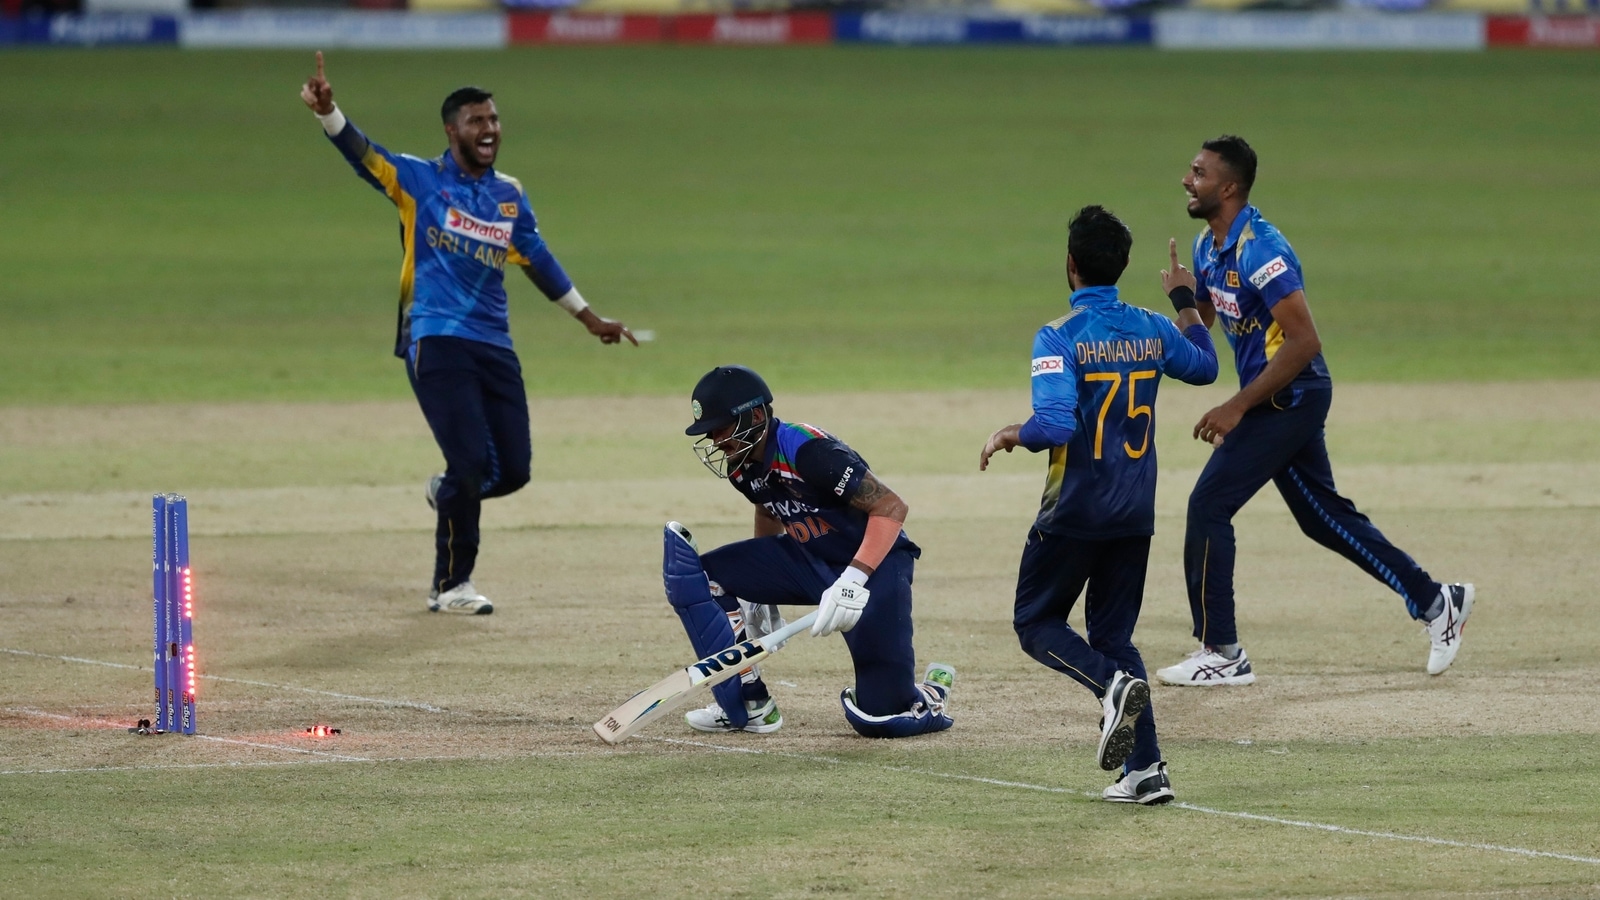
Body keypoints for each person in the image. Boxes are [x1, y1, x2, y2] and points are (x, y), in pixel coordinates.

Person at [299, 53, 635, 615]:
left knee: (514, 470)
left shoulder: (509, 194)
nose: (490, 129)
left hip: (494, 342)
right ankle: (451, 585)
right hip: (435, 336)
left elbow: (537, 259)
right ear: (452, 131)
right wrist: (328, 113)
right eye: (477, 121)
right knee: (471, 463)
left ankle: (448, 490)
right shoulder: (420, 181)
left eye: (494, 119)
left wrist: (589, 317)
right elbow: (365, 156)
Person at [1156, 135, 1474, 686]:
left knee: (1209, 505)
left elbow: (1305, 342)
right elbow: (1201, 332)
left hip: (1292, 395)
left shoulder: (1262, 249)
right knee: (1322, 517)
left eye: (1199, 173)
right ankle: (1435, 601)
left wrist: (1236, 406)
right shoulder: (1208, 248)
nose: (1187, 179)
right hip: (1274, 397)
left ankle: (1223, 652)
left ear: (1229, 188)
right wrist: (1183, 301)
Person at [981, 206, 1218, 805]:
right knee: (1114, 635)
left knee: (1036, 624)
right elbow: (1206, 367)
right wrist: (1185, 300)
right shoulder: (1153, 327)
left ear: (1070, 264)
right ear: (1124, 264)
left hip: (1074, 512)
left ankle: (1110, 686)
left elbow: (1056, 424)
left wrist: (1012, 433)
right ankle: (1147, 772)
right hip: (1134, 513)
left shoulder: (1059, 335)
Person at [661, 365, 954, 738]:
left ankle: (930, 693)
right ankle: (749, 702)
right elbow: (769, 508)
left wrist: (853, 579)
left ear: (755, 416)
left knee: (882, 717)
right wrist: (758, 595)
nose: (716, 440)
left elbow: (891, 507)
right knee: (702, 578)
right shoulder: (741, 463)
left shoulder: (809, 449)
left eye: (721, 428)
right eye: (710, 432)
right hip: (807, 558)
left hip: (874, 564)